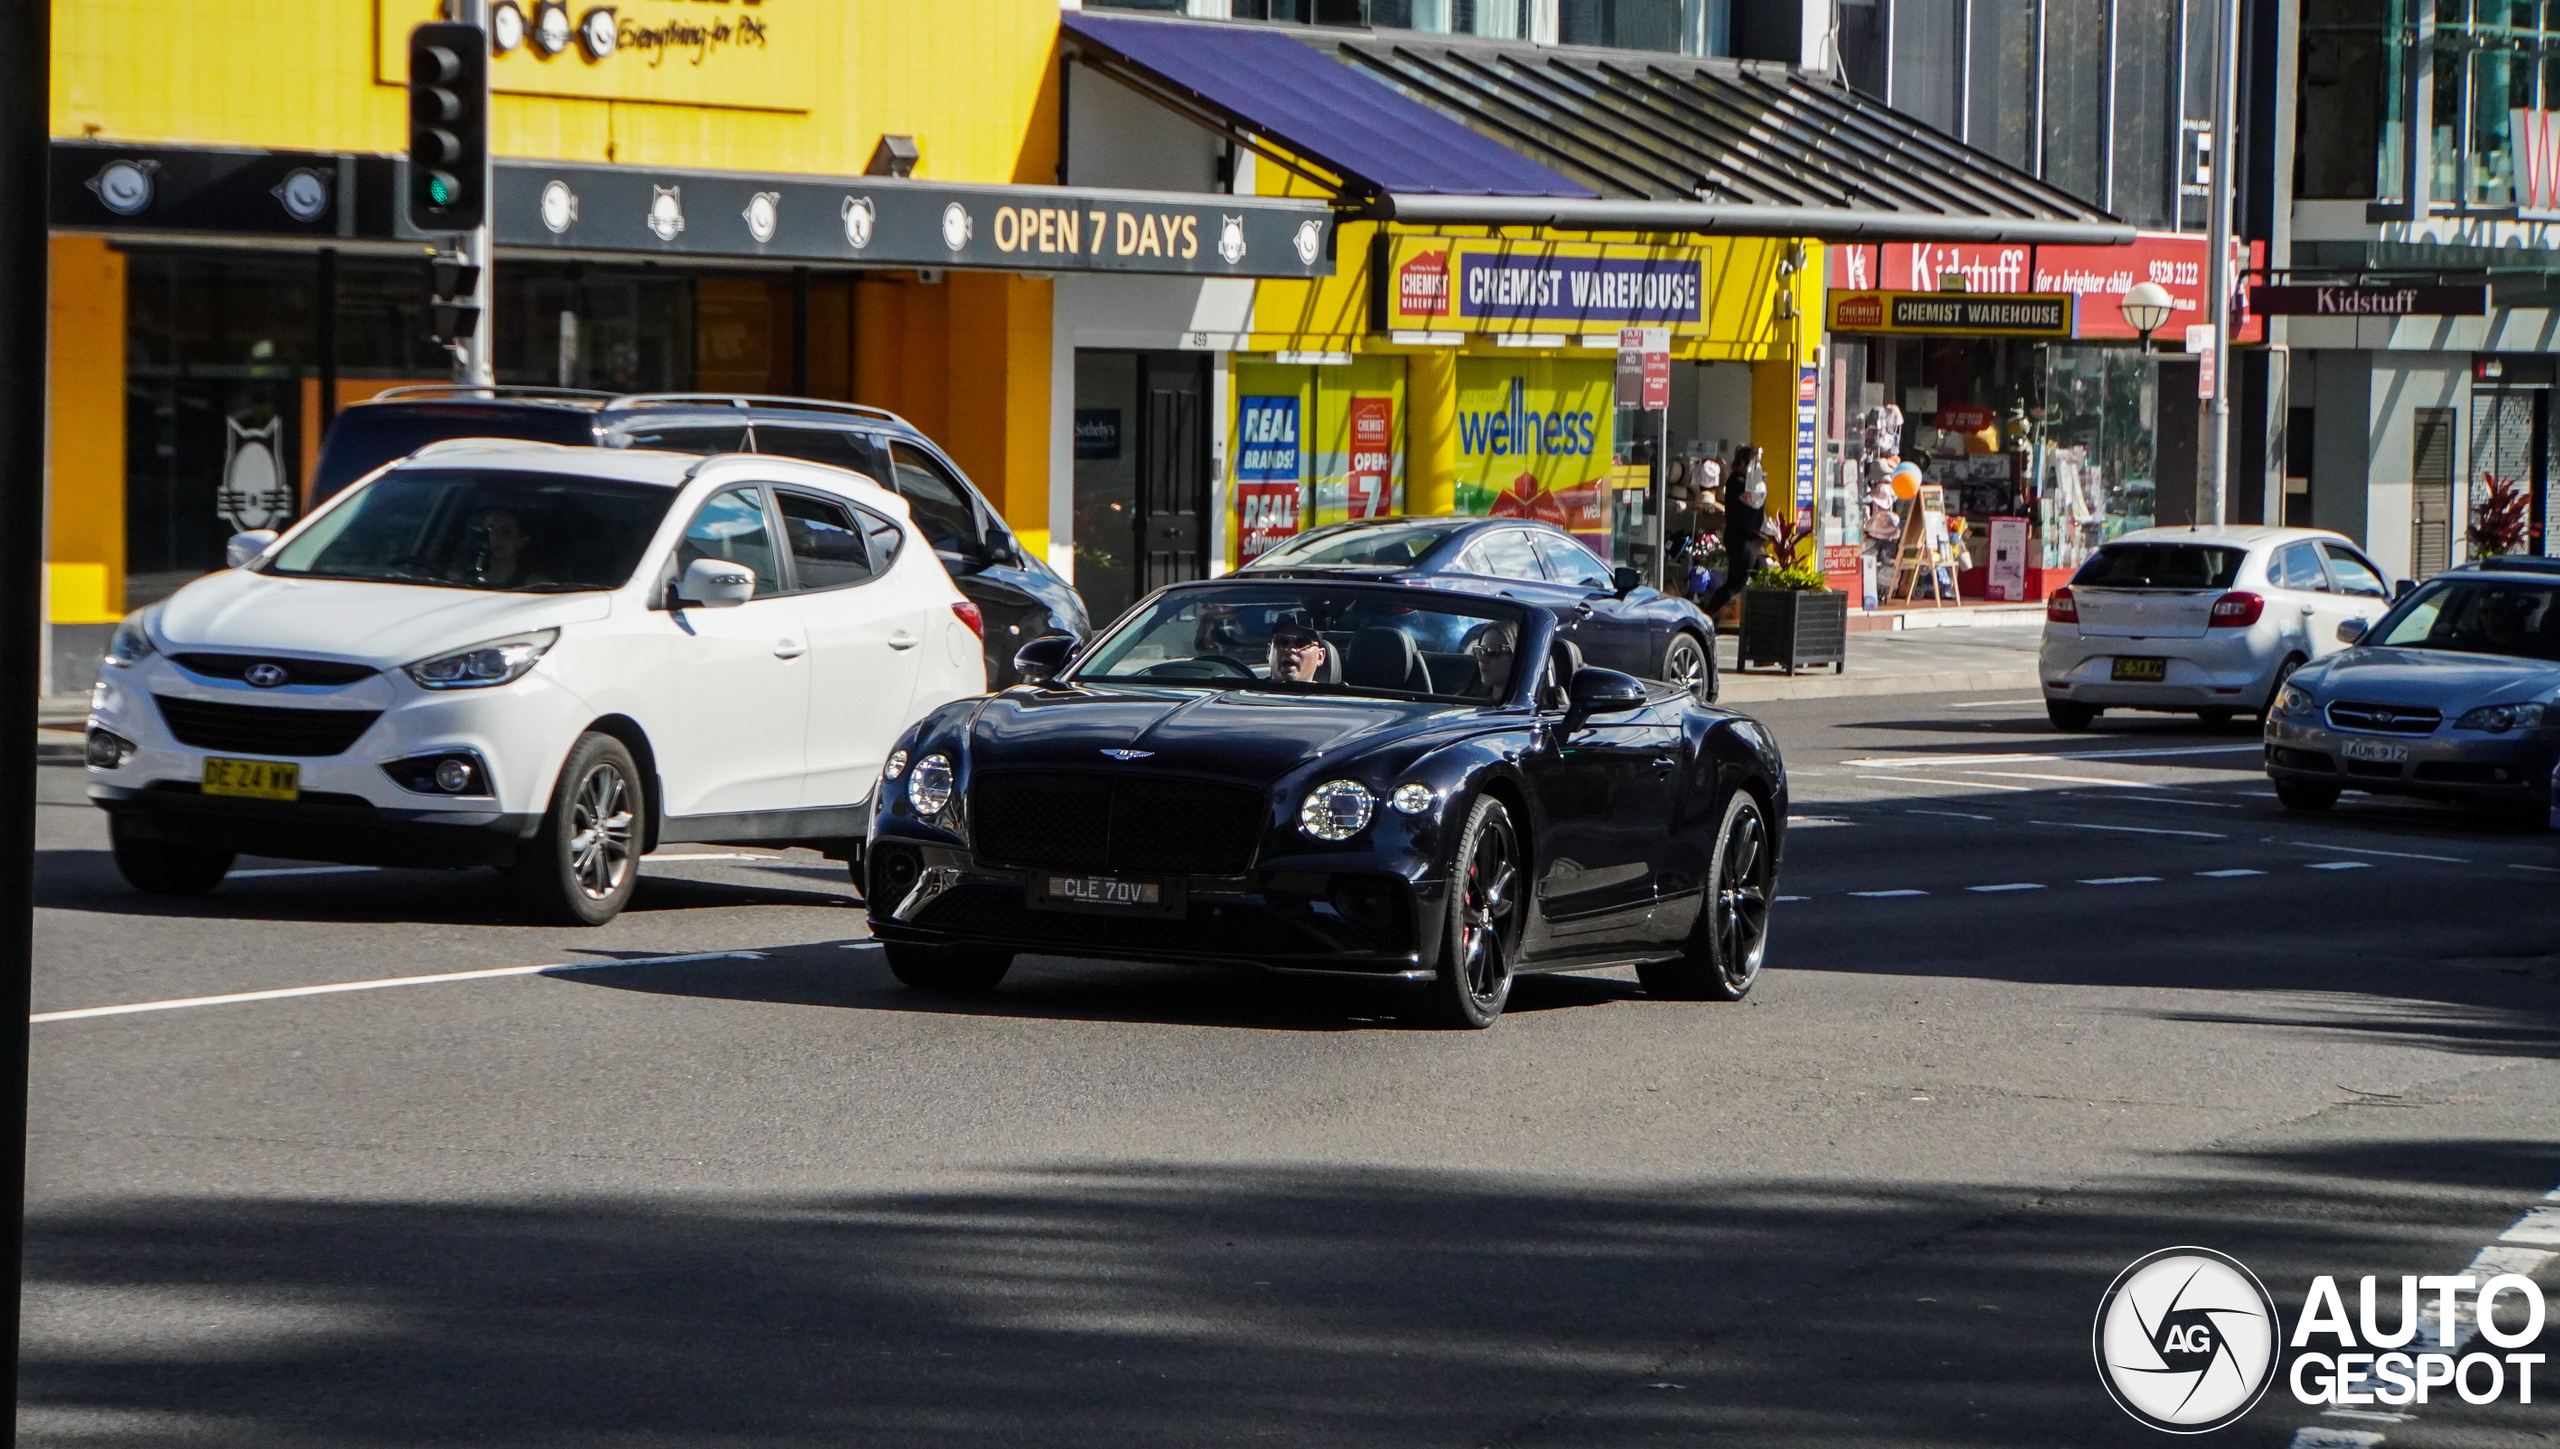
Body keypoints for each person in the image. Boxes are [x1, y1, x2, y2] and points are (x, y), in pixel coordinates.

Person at [1702, 444, 1768, 616]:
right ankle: (1706, 614)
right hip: (1741, 540)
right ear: (1743, 463)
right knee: (1736, 583)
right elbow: (1751, 499)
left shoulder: (1751, 481)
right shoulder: (1736, 481)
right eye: (1754, 464)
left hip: (1754, 539)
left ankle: (1762, 617)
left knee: (1764, 580)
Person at [479, 507, 551, 588]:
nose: (495, 538)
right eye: (490, 530)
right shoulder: (465, 579)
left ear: (522, 541)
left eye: (506, 532)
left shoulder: (536, 585)